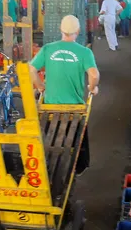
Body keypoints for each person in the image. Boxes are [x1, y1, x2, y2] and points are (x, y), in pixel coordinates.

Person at [28, 15, 99, 173]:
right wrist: (92, 87)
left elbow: (32, 69)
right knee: (77, 140)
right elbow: (94, 75)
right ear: (78, 31)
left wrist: (40, 86)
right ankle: (77, 168)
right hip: (75, 110)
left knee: (48, 140)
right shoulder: (84, 52)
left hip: (50, 108)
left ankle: (49, 165)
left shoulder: (47, 48)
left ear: (60, 30)